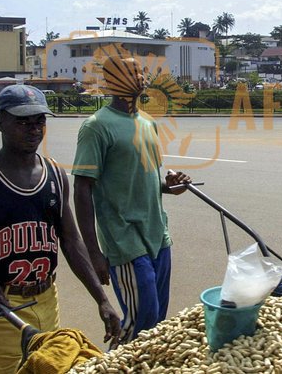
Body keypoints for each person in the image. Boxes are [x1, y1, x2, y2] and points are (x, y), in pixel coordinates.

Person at [0, 84, 121, 374]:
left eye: (39, 121)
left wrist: (102, 299)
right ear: (0, 123)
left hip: (46, 297)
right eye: (23, 122)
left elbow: (70, 241)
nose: (34, 129)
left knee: (50, 365)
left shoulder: (55, 176)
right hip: (2, 303)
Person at [72, 55, 190, 346]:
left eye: (140, 71)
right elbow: (82, 189)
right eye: (130, 72)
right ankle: (113, 363)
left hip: (158, 236)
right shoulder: (96, 126)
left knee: (157, 323)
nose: (139, 77)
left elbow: (147, 180)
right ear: (112, 81)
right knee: (141, 321)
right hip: (124, 240)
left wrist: (171, 187)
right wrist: (94, 253)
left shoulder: (148, 123)